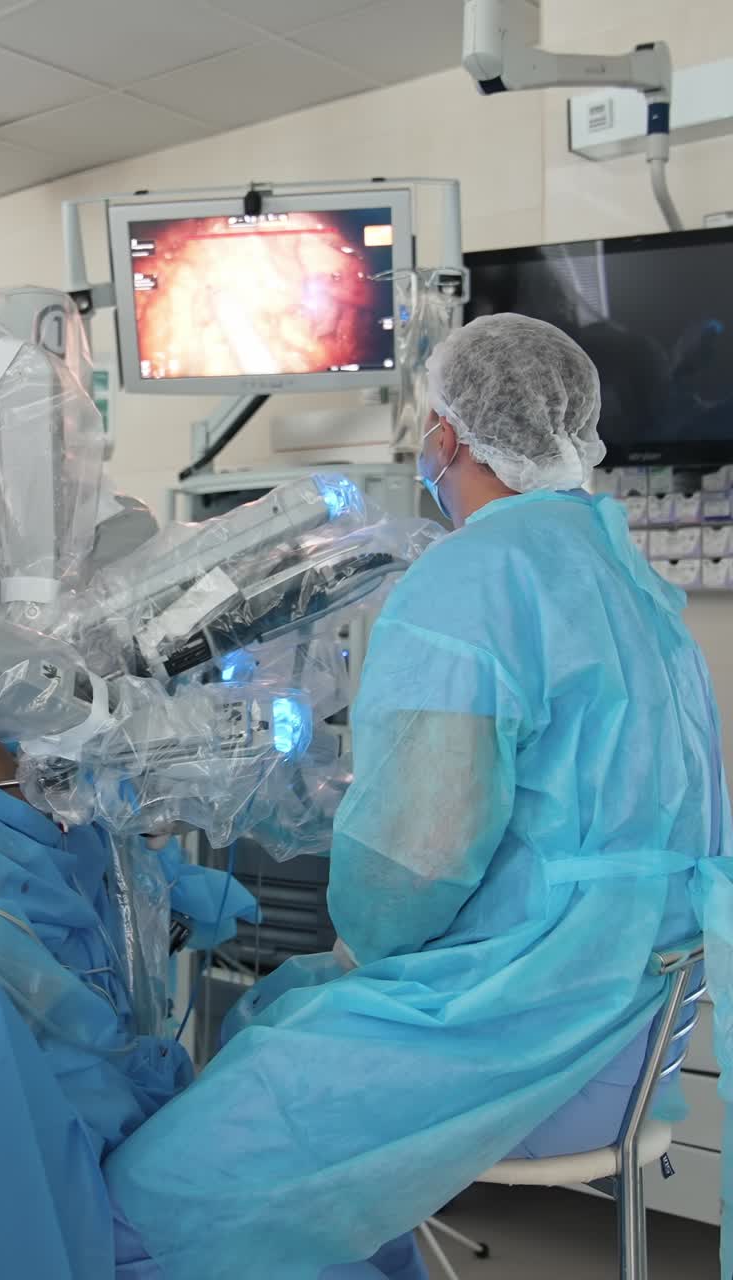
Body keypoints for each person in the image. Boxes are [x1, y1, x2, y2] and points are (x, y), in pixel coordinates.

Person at [104, 313, 731, 1279]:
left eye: (428, 423)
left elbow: (407, 874)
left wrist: (359, 918)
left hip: (527, 1030)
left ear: (448, 433)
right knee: (281, 1016)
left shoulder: (473, 577)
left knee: (145, 1202)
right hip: (631, 1027)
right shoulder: (626, 576)